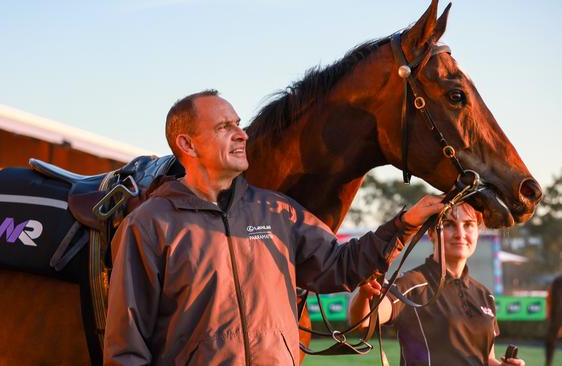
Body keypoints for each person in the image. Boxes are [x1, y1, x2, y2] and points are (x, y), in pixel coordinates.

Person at [103, 89, 445, 365]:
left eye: (238, 124)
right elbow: (126, 348)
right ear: (187, 144)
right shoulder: (148, 224)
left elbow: (338, 266)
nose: (242, 134)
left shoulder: (277, 211)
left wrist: (403, 225)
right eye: (225, 127)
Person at [348, 202, 526, 366]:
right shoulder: (412, 283)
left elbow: (486, 358)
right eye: (449, 224)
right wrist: (365, 295)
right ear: (432, 233)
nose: (460, 234)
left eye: (468, 225)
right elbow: (361, 321)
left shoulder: (485, 295)